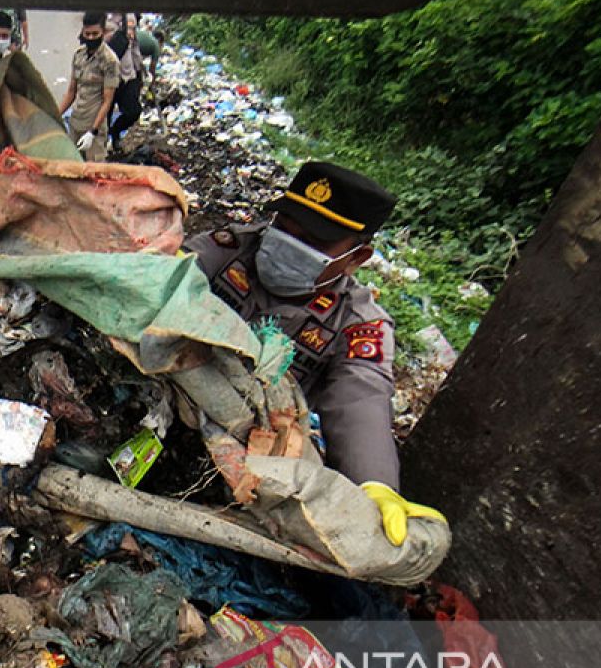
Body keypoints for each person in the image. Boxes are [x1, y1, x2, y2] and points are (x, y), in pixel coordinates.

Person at [184, 161, 447, 546]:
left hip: (248, 449)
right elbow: (173, 268)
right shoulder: (233, 249)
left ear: (357, 257)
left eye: (314, 242)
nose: (288, 245)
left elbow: (361, 401)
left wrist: (374, 484)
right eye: (284, 228)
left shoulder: (355, 322)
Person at [57, 12, 119, 162]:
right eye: (87, 34)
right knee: (70, 168)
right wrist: (55, 115)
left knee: (94, 175)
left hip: (94, 127)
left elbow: (107, 100)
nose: (91, 38)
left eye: (95, 34)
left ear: (103, 33)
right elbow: (72, 91)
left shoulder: (109, 61)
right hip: (76, 121)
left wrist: (93, 131)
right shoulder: (79, 56)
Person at [107, 13, 144, 152]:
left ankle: (115, 132)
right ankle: (105, 144)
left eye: (133, 29)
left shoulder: (135, 41)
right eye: (128, 28)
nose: (131, 32)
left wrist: (140, 78)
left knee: (133, 111)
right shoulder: (115, 39)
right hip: (112, 81)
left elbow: (137, 59)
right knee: (106, 114)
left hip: (129, 79)